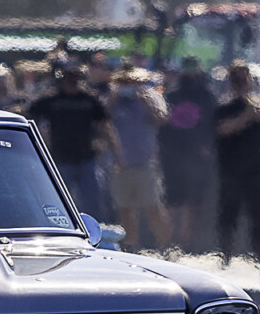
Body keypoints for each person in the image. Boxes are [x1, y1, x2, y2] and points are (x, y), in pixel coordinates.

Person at [26, 60, 115, 218]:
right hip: (60, 159)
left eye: (74, 77)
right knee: (59, 202)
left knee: (91, 203)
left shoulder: (89, 99)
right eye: (68, 77)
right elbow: (29, 113)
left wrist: (113, 149)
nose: (71, 81)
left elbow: (104, 125)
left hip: (86, 159)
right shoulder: (52, 99)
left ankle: (93, 227)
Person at [214, 61, 260, 261]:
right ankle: (226, 254)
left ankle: (259, 256)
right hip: (231, 169)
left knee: (259, 215)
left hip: (256, 168)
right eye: (237, 79)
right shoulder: (224, 106)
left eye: (244, 78)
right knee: (229, 215)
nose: (241, 83)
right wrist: (245, 116)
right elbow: (223, 129)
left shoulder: (258, 104)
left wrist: (257, 111)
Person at [106, 67, 171, 250]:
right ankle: (130, 245)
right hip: (120, 164)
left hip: (145, 163)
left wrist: (146, 102)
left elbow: (162, 119)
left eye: (131, 83)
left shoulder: (150, 98)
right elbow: (101, 120)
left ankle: (165, 246)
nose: (128, 87)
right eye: (124, 83)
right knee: (125, 208)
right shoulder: (113, 102)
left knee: (153, 207)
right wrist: (111, 101)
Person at [159, 57, 218, 245]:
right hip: (173, 154)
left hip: (198, 155)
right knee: (172, 199)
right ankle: (170, 240)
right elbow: (162, 125)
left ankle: (188, 240)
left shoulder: (207, 97)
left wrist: (209, 146)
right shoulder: (171, 96)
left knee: (195, 200)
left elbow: (214, 124)